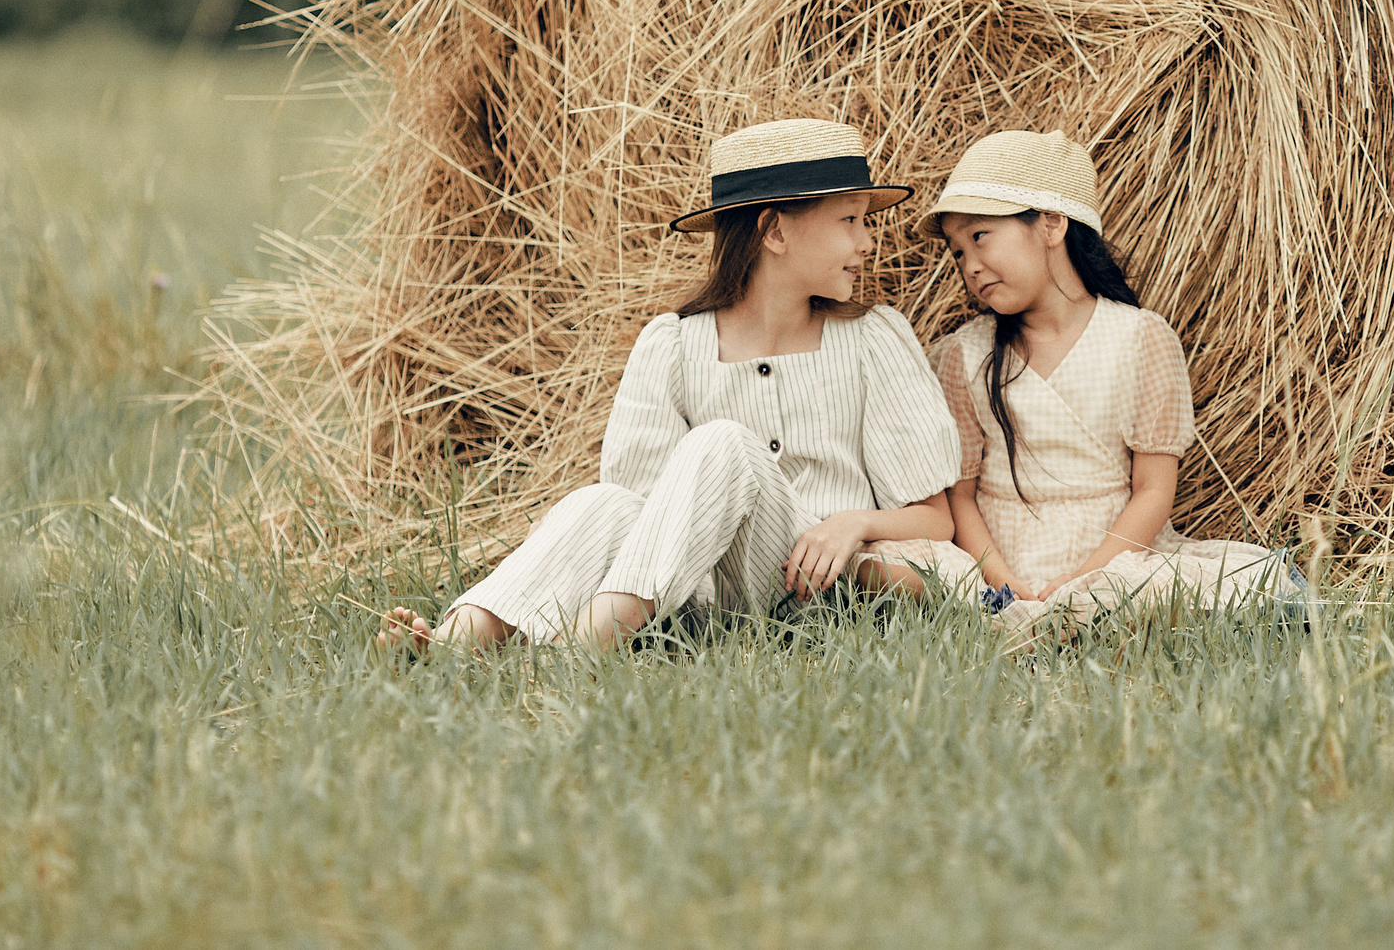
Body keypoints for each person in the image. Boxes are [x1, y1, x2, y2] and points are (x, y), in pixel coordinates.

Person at [378, 118, 960, 655]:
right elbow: (634, 512)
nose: (866, 243)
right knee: (598, 502)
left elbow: (935, 519)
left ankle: (581, 651)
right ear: (775, 230)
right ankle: (459, 640)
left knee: (722, 443)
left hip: (817, 595)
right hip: (700, 600)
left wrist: (854, 522)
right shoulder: (673, 345)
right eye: (850, 221)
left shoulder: (872, 340)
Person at [872, 131, 1291, 632]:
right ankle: (1012, 613)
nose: (971, 266)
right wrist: (1001, 580)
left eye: (980, 237)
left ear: (1050, 225)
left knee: (1183, 588)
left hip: (1115, 557)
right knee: (887, 563)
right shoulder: (964, 354)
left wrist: (1087, 577)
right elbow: (961, 495)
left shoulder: (1139, 338)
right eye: (958, 252)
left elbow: (1153, 490)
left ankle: (1080, 612)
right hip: (997, 559)